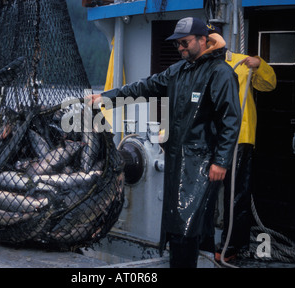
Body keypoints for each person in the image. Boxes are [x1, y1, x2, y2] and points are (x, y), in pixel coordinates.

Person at [86, 17, 242, 268]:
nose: (180, 48)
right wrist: (106, 97)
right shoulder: (178, 71)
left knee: (186, 225)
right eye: (177, 44)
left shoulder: (221, 73)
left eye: (184, 42)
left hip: (201, 163)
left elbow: (231, 120)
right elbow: (143, 87)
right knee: (179, 224)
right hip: (177, 159)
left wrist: (221, 161)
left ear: (203, 40)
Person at [206, 24, 277, 262]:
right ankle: (203, 240)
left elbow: (269, 85)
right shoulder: (198, 66)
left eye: (211, 39)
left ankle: (233, 245)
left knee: (237, 195)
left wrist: (260, 65)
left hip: (240, 138)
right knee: (204, 192)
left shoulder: (242, 62)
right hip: (208, 137)